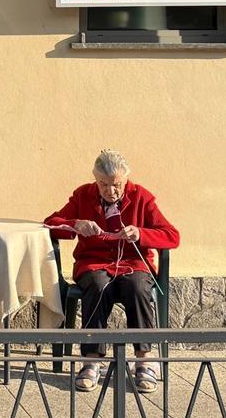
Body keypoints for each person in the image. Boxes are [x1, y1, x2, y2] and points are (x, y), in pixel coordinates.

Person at [44, 149, 179, 393]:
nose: (110, 191)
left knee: (137, 286)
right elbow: (50, 223)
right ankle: (92, 359)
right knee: (97, 285)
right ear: (95, 179)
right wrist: (76, 225)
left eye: (116, 185)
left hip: (133, 264)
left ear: (125, 180)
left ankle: (144, 359)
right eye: (103, 184)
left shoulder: (142, 198)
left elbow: (172, 235)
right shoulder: (83, 195)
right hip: (94, 263)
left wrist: (141, 233)